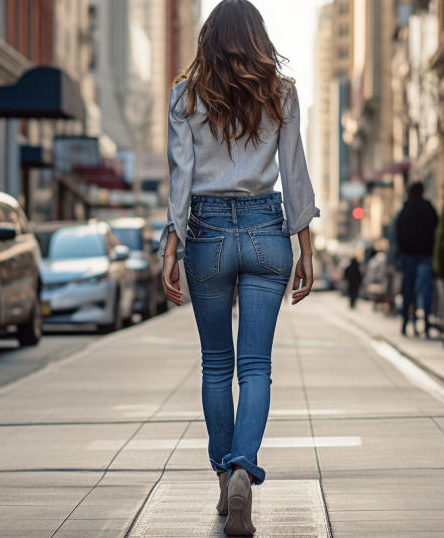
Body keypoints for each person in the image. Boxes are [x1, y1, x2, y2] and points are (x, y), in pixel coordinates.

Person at [157, 2, 320, 535]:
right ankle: (243, 469)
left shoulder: (186, 95)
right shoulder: (282, 92)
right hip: (265, 230)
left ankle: (224, 479)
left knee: (213, 365)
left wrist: (171, 244)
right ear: (257, 39)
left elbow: (180, 178)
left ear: (208, 40)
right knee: (256, 367)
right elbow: (293, 171)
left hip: (206, 233)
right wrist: (306, 245)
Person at [395, 182, 439, 337]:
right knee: (425, 289)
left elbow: (398, 233)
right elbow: (436, 228)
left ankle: (405, 322)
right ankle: (426, 322)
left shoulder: (405, 210)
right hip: (426, 254)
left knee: (408, 289)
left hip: (408, 255)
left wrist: (400, 254)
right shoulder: (428, 208)